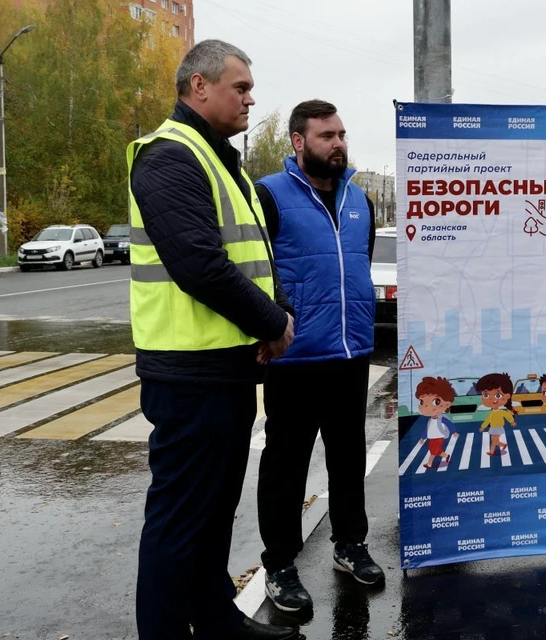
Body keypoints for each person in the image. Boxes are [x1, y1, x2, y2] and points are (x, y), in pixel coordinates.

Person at [129, 40, 299, 639]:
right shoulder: (169, 157)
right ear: (198, 87)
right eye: (241, 87)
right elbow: (199, 264)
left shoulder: (225, 162)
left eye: (251, 89)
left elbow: (254, 260)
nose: (251, 98)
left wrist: (275, 311)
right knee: (179, 521)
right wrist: (273, 324)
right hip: (186, 371)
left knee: (213, 513)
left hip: (224, 367)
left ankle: (217, 619)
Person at [255, 99, 381, 615]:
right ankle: (280, 565)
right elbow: (258, 270)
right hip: (294, 358)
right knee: (286, 465)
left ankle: (350, 545)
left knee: (349, 457)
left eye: (342, 134)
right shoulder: (270, 195)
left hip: (350, 355)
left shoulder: (360, 200)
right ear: (298, 141)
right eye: (327, 135)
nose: (338, 143)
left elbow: (358, 264)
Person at [415, 376, 460, 468]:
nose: (426, 406)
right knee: (436, 450)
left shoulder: (441, 419)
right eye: (422, 402)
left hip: (439, 437)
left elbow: (449, 424)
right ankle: (446, 455)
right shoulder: (430, 420)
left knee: (433, 452)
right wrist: (423, 438)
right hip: (432, 437)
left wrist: (454, 432)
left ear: (447, 404)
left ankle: (429, 464)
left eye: (436, 402)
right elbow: (427, 430)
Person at [476, 372, 517, 457]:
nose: (491, 398)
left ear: (507, 396)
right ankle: (492, 452)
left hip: (498, 427)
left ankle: (503, 445)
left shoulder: (501, 412)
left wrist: (512, 421)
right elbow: (487, 420)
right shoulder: (492, 413)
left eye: (497, 395)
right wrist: (483, 427)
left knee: (494, 440)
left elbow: (508, 416)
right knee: (494, 440)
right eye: (486, 395)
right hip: (493, 427)